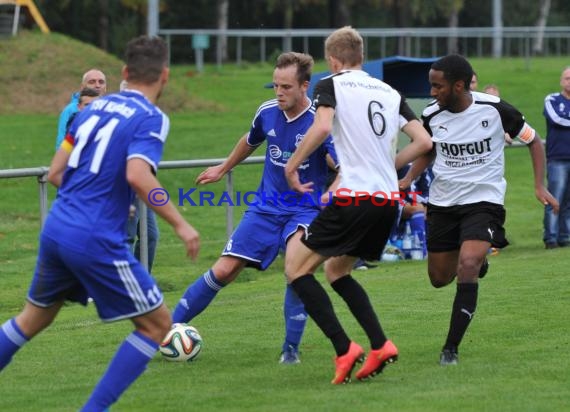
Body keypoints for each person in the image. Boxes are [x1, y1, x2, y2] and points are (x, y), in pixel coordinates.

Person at [0, 36, 200, 411]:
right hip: (93, 237)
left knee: (30, 320)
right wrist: (179, 223)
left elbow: (57, 171)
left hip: (57, 226)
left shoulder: (91, 110)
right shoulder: (151, 118)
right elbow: (139, 175)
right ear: (165, 77)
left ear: (124, 73)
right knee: (157, 325)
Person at [284, 26, 433, 384]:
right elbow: (424, 141)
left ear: (333, 60)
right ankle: (380, 345)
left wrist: (292, 165)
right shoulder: (389, 91)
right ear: (361, 57)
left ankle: (343, 348)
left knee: (296, 270)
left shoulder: (331, 84)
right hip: (387, 203)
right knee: (337, 272)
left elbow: (321, 130)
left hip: (354, 198)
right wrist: (388, 165)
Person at [171, 52, 337, 364]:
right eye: (275, 86)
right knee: (224, 269)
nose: (279, 93)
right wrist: (223, 167)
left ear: (305, 86)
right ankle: (164, 331)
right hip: (265, 207)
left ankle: (290, 351)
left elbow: (339, 162)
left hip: (305, 209)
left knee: (295, 270)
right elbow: (250, 140)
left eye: (286, 87)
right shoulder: (267, 112)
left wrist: (337, 187)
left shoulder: (321, 121)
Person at [403, 54, 558, 366]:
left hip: (484, 200)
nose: (432, 92)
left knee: (468, 264)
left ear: (459, 86)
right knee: (438, 277)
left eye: (438, 86)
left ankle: (450, 349)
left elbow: (534, 141)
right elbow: (430, 150)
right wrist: (408, 177)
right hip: (444, 203)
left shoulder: (495, 108)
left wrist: (539, 186)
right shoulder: (432, 115)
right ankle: (476, 260)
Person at [120, 80, 160, 271]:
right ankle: (122, 285)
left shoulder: (149, 119)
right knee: (126, 237)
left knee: (151, 235)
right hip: (125, 189)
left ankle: (140, 279)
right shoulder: (119, 122)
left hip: (143, 188)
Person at [543, 67, 570, 249]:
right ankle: (550, 237)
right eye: (567, 78)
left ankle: (565, 236)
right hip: (557, 158)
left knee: (568, 201)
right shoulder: (552, 99)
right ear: (561, 81)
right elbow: (556, 119)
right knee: (554, 199)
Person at [55, 68, 106, 150]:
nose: (97, 85)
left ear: (105, 87)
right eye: (92, 82)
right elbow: (62, 143)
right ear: (82, 87)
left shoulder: (111, 108)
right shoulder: (71, 110)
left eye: (101, 82)